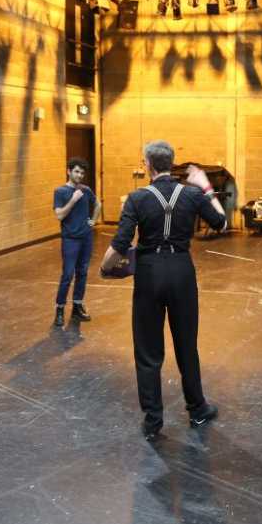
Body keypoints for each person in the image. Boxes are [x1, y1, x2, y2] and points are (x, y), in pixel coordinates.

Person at [100, 141, 227, 441]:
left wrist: (106, 269)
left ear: (148, 165)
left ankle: (153, 421)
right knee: (187, 345)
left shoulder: (136, 198)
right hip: (182, 272)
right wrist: (206, 185)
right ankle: (197, 408)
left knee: (148, 351)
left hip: (149, 275)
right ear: (172, 163)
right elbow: (220, 223)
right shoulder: (193, 194)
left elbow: (119, 245)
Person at [52, 157, 101, 327]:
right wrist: (73, 200)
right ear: (69, 171)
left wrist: (93, 221)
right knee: (67, 274)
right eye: (76, 172)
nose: (80, 175)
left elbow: (98, 205)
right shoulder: (60, 192)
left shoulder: (86, 190)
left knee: (83, 272)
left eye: (82, 173)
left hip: (86, 238)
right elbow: (59, 215)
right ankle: (59, 309)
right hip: (70, 239)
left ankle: (77, 307)